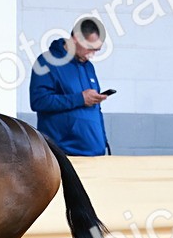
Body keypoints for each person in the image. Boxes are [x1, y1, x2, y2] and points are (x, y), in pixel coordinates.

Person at [29, 17, 111, 156]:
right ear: (76, 39)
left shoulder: (88, 67)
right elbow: (38, 101)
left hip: (95, 152)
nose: (92, 55)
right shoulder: (46, 62)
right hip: (64, 154)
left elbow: (95, 111)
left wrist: (103, 142)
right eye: (89, 48)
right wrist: (80, 99)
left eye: (96, 50)